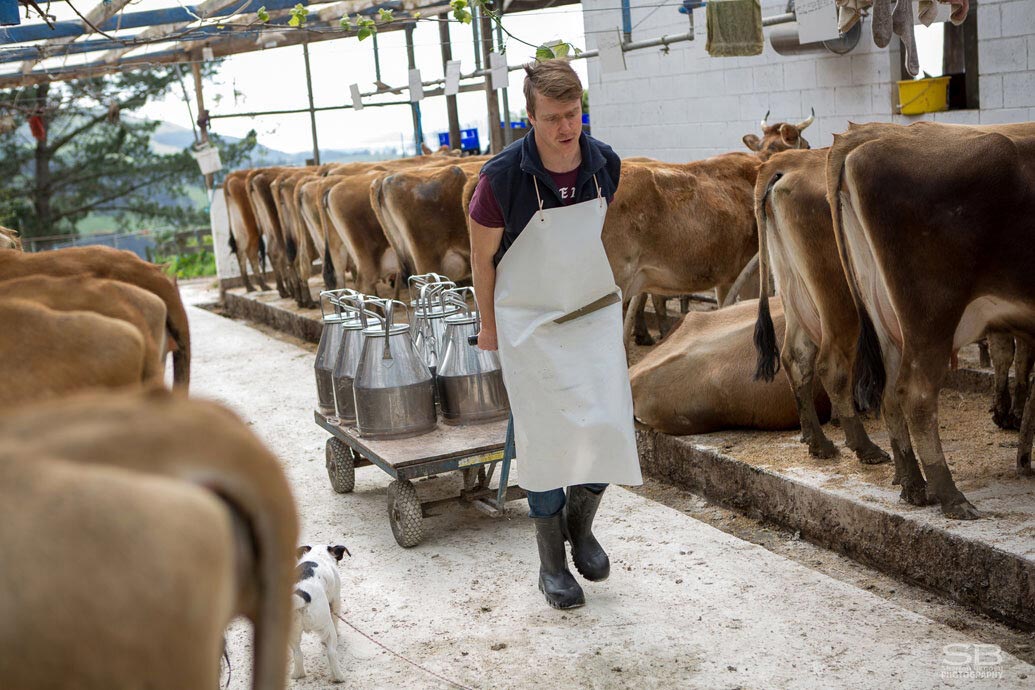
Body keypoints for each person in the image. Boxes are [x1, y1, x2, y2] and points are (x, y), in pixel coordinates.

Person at [467, 59, 642, 610]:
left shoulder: (605, 165)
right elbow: (482, 261)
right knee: (544, 442)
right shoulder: (498, 182)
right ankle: (551, 566)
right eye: (553, 118)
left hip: (588, 311)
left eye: (574, 114)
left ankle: (579, 525)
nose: (567, 128)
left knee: (610, 425)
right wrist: (490, 328)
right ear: (530, 117)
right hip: (527, 322)